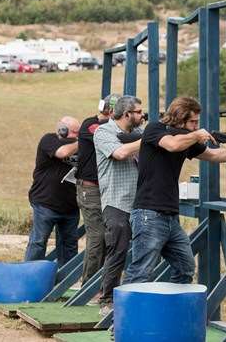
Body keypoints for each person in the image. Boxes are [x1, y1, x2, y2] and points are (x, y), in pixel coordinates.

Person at [123, 96, 226, 285]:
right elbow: (172, 145)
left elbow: (213, 154)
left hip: (170, 216)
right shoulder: (155, 129)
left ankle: (170, 311)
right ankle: (126, 315)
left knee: (185, 267)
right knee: (141, 272)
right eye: (193, 122)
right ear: (179, 118)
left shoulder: (186, 139)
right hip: (149, 213)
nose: (196, 126)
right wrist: (196, 135)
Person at [93, 95, 144, 315]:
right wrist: (149, 138)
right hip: (116, 202)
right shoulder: (103, 132)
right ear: (126, 114)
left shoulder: (137, 134)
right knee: (117, 252)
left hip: (139, 203)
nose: (142, 116)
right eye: (139, 112)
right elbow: (120, 153)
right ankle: (107, 301)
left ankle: (140, 297)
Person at [75, 94, 120, 284]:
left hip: (107, 189)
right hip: (90, 189)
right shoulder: (90, 125)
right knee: (97, 237)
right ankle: (89, 285)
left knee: (110, 237)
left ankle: (102, 284)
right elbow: (107, 133)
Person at [25, 116, 81, 266]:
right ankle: (29, 277)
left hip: (71, 206)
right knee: (38, 242)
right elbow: (62, 152)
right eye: (76, 132)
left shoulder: (78, 145)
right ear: (63, 131)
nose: (78, 136)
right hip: (46, 203)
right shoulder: (49, 140)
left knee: (69, 247)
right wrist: (83, 141)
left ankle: (67, 282)